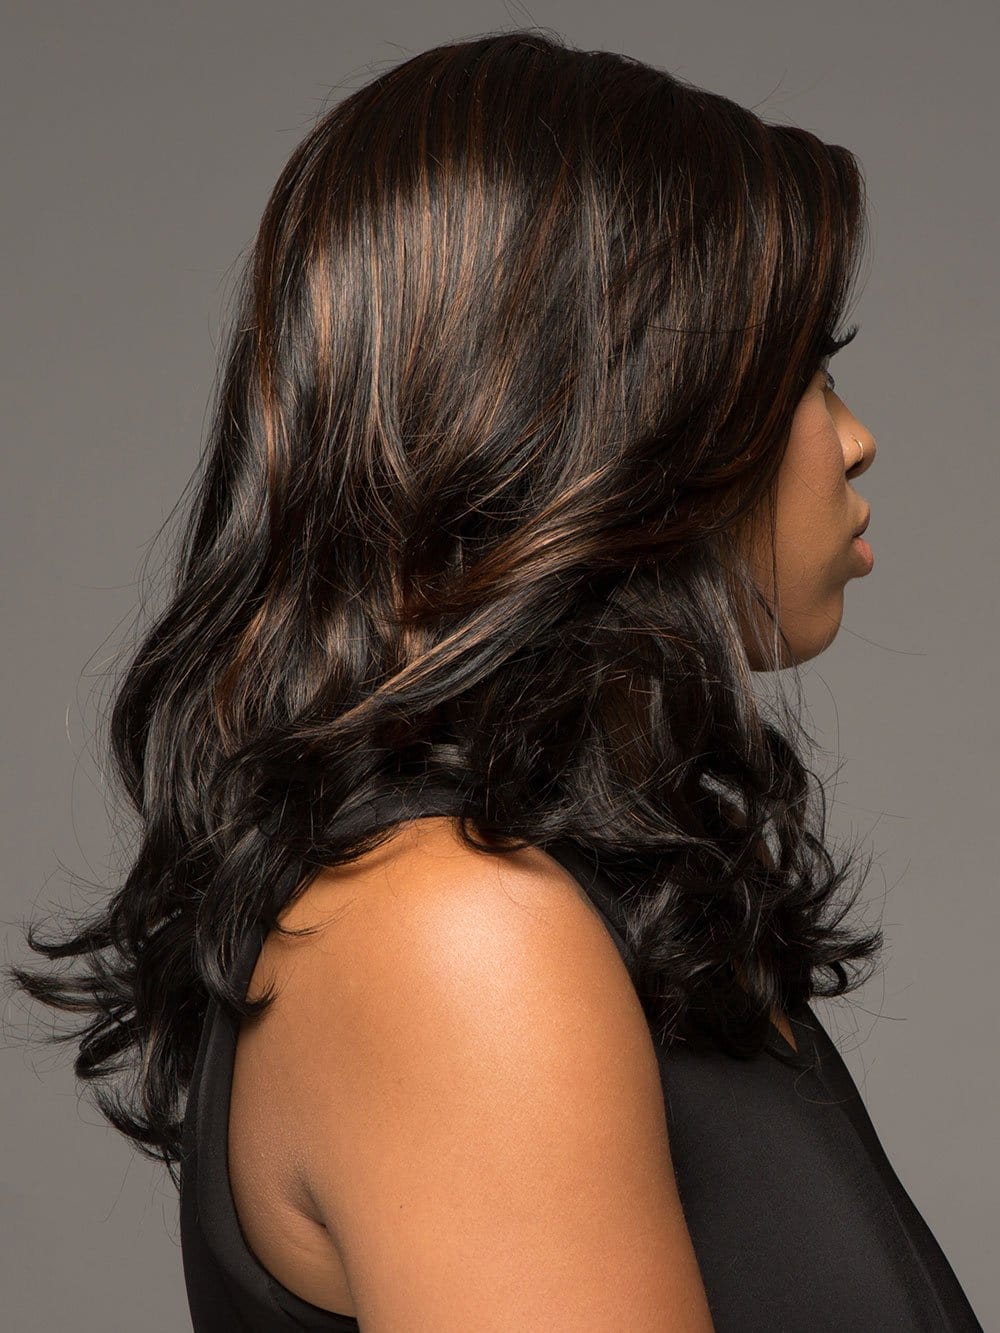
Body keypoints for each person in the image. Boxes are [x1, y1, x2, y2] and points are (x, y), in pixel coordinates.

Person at [7, 28, 983, 1332]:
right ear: (625, 414)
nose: (853, 439)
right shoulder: (456, 935)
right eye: (801, 368)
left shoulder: (582, 907)